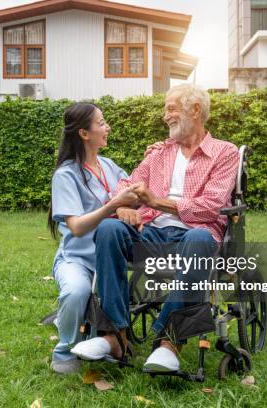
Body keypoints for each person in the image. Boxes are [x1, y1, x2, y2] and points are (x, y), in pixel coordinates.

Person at [71, 84, 239, 373]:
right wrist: (123, 205)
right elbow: (128, 185)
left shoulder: (225, 153)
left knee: (199, 238)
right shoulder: (159, 152)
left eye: (171, 108)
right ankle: (114, 337)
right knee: (109, 231)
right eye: (166, 109)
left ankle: (169, 342)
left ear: (195, 110)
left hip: (195, 235)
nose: (165, 116)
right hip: (152, 233)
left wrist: (155, 201)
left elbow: (211, 206)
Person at [48, 102, 140, 374]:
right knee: (77, 291)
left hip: (110, 258)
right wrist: (114, 205)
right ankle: (64, 352)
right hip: (77, 259)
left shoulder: (109, 166)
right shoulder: (66, 175)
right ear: (84, 133)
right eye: (101, 123)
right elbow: (76, 227)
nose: (107, 127)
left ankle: (112, 339)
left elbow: (133, 196)